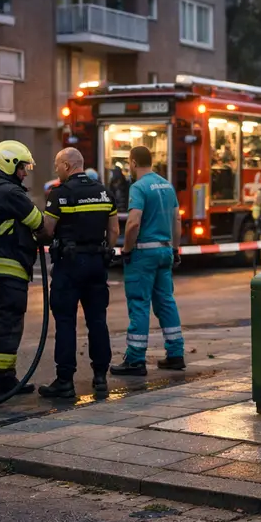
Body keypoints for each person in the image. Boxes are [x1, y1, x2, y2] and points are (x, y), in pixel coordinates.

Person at [37, 148, 119, 398]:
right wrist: (106, 249)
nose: (55, 170)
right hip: (96, 263)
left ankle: (65, 381)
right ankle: (100, 378)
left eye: (56, 165)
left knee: (65, 323)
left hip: (70, 265)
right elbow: (114, 229)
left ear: (66, 165)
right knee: (97, 321)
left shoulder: (60, 193)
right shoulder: (104, 192)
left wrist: (36, 235)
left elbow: (48, 230)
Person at [0, 140, 44, 396]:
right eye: (22, 167)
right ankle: (2, 380)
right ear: (9, 164)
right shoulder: (10, 192)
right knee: (7, 324)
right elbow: (38, 222)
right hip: (8, 271)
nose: (25, 173)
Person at [110, 146, 184, 376]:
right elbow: (176, 221)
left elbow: (133, 223)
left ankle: (135, 359)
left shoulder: (138, 187)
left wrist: (127, 249)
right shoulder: (166, 185)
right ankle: (175, 354)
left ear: (132, 163)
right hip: (164, 251)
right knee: (166, 302)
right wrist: (175, 248)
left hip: (143, 254)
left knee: (139, 303)